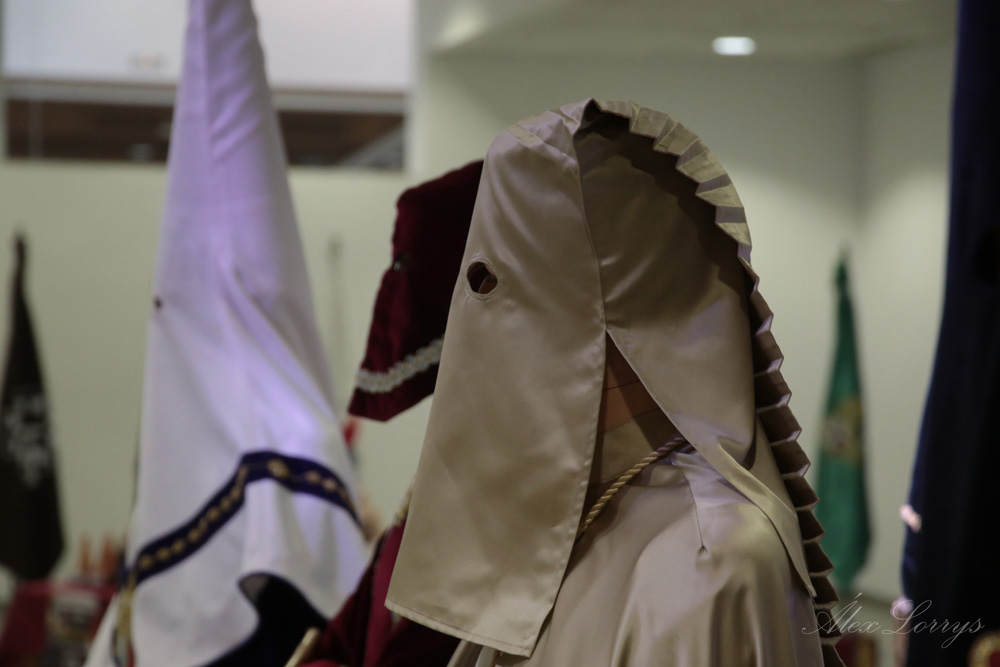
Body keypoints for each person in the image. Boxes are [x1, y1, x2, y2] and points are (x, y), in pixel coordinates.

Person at [385, 99, 843, 666]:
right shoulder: (560, 529)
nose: (475, 328)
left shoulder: (708, 558)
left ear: (616, 313)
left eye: (496, 285)